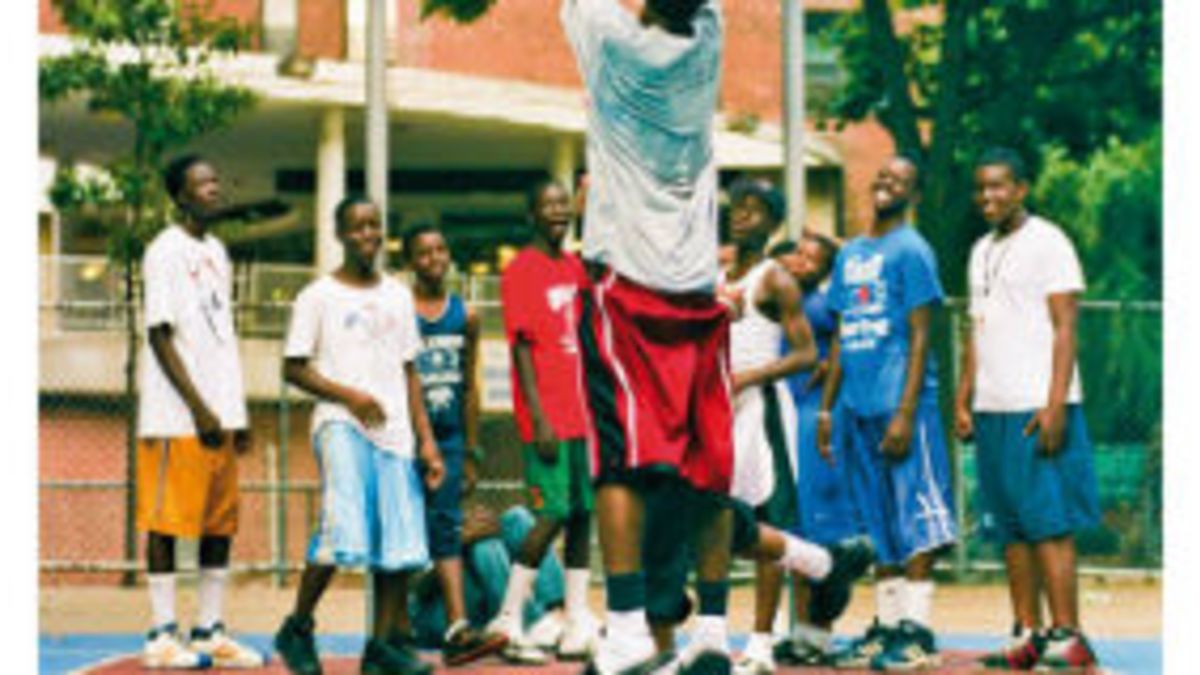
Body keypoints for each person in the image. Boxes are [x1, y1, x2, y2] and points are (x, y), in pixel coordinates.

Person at [562, 0, 736, 671]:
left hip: (628, 286)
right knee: (701, 469)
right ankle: (711, 629)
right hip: (696, 290)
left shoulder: (609, 41)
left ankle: (629, 623)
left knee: (621, 462)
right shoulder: (709, 40)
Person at [273, 196, 446, 675]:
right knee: (341, 526)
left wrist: (426, 441)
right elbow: (292, 368)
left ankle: (382, 646)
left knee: (399, 538)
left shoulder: (397, 295)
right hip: (341, 424)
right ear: (340, 234)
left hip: (395, 433)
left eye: (375, 226)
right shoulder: (318, 296)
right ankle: (298, 627)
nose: (368, 235)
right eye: (357, 227)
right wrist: (349, 396)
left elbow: (411, 372)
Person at [956, 147, 1101, 671]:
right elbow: (978, 326)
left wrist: (1055, 402)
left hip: (1035, 403)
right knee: (1010, 526)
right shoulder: (979, 250)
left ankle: (1069, 636)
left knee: (1048, 523)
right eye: (980, 188)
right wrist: (964, 396)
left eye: (999, 186)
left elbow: (1066, 326)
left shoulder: (1049, 242)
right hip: (993, 405)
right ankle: (1028, 633)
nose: (988, 196)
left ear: (1022, 188)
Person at [818, 155, 958, 671]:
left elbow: (922, 333)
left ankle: (917, 630)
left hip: (903, 407)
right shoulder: (850, 253)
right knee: (878, 522)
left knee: (914, 515)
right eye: (882, 176)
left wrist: (905, 411)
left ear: (913, 194)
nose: (886, 184)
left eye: (898, 180)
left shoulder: (913, 251)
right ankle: (887, 625)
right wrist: (828, 410)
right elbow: (838, 338)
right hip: (856, 407)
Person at [135, 155, 265, 669]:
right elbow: (159, 334)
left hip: (220, 412)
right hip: (177, 415)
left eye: (216, 179)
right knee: (166, 522)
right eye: (203, 183)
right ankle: (161, 634)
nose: (215, 188)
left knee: (219, 525)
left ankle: (208, 629)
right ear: (181, 197)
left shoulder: (217, 251)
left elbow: (223, 335)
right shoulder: (163, 251)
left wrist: (235, 410)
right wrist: (199, 409)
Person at [492, 179, 599, 664]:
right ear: (531, 215)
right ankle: (508, 616)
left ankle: (577, 619)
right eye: (548, 206)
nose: (559, 212)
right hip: (551, 415)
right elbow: (520, 347)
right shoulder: (520, 271)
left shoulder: (576, 267)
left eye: (563, 204)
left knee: (582, 516)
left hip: (586, 415)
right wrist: (539, 418)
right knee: (551, 514)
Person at [720, 178, 822, 675]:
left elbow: (807, 354)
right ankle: (713, 634)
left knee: (769, 522)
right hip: (717, 411)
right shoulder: (715, 270)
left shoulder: (775, 279)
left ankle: (760, 643)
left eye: (755, 210)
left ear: (772, 222)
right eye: (738, 207)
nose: (742, 216)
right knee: (716, 520)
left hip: (761, 409)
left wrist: (749, 377)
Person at [406, 223, 509, 666]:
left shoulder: (465, 316)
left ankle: (457, 626)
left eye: (440, 250)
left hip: (449, 437)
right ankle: (395, 624)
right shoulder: (401, 312)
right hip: (405, 436)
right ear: (410, 262)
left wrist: (471, 451)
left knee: (448, 524)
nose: (434, 259)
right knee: (406, 528)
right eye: (423, 253)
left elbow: (470, 388)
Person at [772, 234, 865, 666]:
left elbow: (847, 345)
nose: (802, 261)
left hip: (814, 413)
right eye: (799, 252)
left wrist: (828, 366)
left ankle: (820, 633)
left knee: (816, 523)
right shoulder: (776, 293)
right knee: (794, 524)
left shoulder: (828, 304)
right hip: (785, 411)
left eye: (814, 258)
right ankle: (803, 631)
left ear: (829, 269)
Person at [409, 504, 570, 649]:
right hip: (434, 620)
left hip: (475, 611)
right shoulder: (405, 508)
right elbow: (418, 590)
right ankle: (531, 624)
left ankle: (554, 614)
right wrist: (460, 543)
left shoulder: (447, 500)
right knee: (484, 545)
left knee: (517, 518)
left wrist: (483, 525)